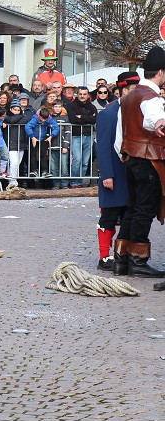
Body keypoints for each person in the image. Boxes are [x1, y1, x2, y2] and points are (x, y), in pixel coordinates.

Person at [113, 47, 165, 280]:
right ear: (161, 73)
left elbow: (119, 136)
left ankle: (121, 259)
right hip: (149, 160)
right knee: (145, 209)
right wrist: (160, 121)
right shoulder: (150, 97)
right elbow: (155, 118)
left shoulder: (130, 96)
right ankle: (138, 260)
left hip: (131, 158)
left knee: (133, 209)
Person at [95, 72, 132, 273]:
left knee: (129, 216)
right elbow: (103, 147)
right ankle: (104, 255)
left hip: (132, 174)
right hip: (114, 173)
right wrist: (107, 174)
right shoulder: (107, 114)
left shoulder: (137, 112)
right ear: (124, 91)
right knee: (109, 216)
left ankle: (123, 254)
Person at [66, 85, 97, 188]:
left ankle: (80, 181)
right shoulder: (71, 105)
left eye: (84, 94)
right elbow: (73, 120)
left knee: (85, 162)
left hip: (88, 136)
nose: (82, 96)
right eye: (80, 94)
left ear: (88, 95)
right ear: (77, 94)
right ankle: (74, 181)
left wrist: (81, 117)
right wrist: (88, 117)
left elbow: (95, 119)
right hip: (76, 136)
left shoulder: (92, 106)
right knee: (77, 160)